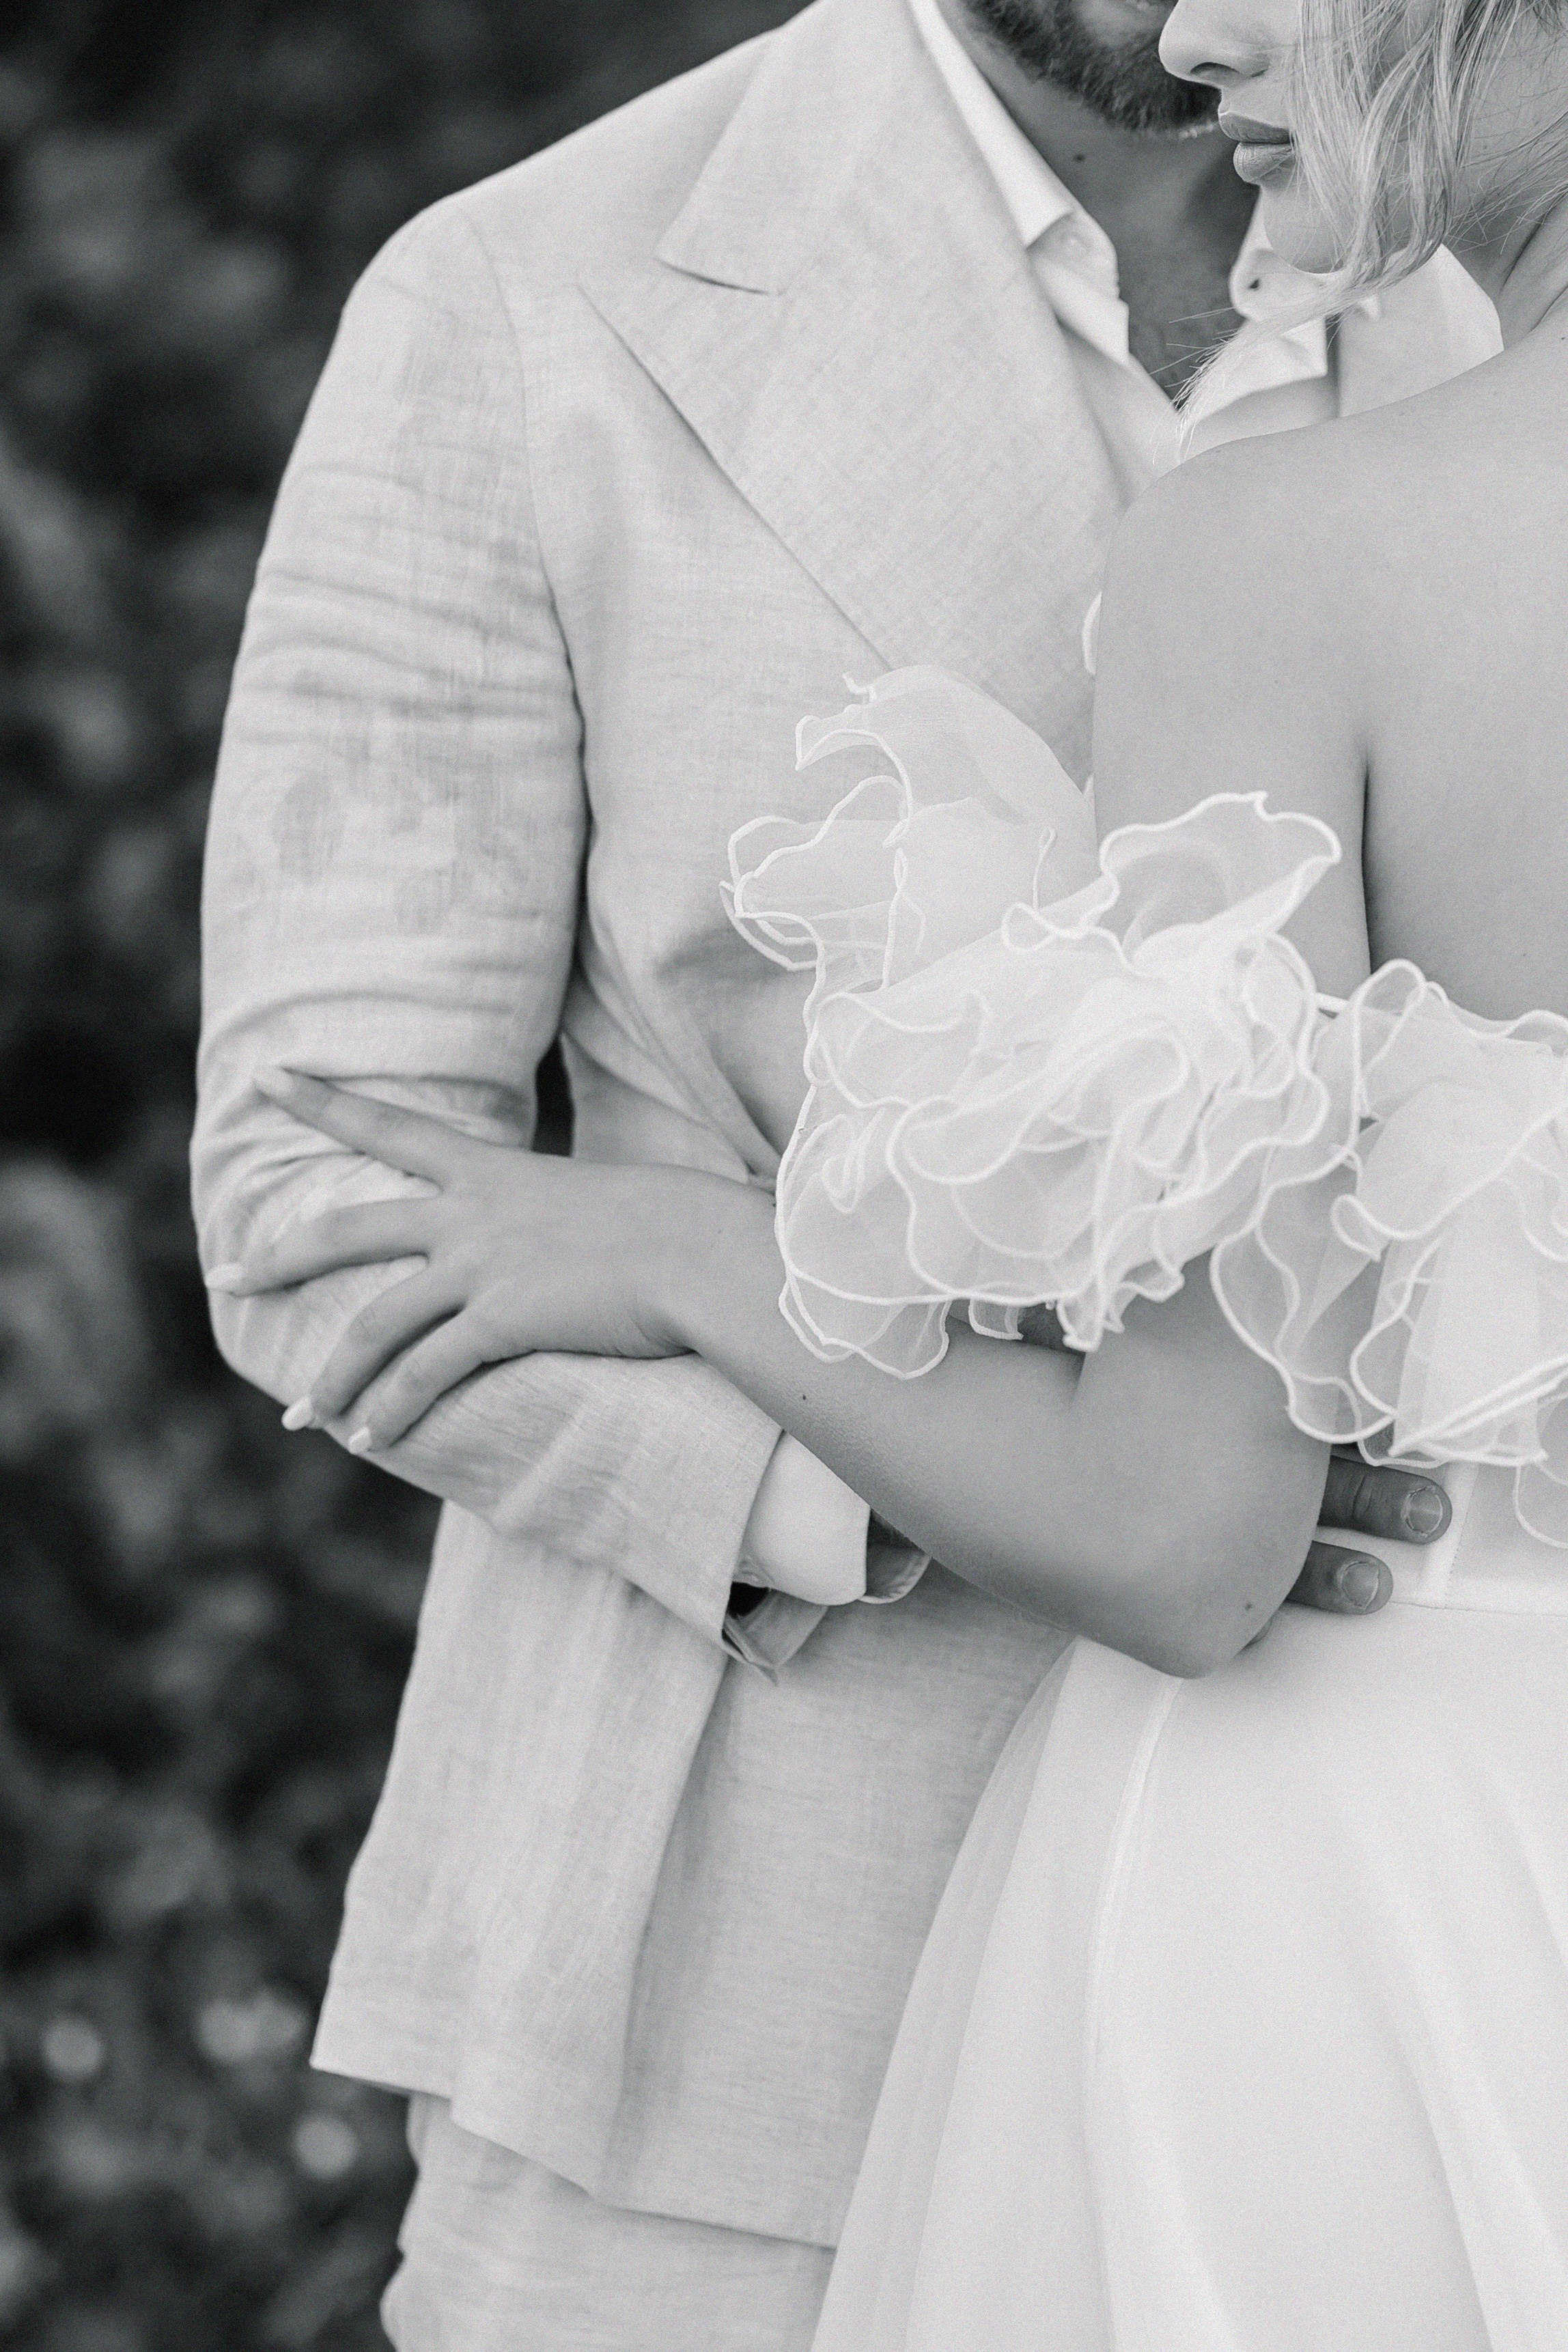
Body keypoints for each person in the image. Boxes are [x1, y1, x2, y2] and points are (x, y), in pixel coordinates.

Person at [191, 0, 1493, 2342]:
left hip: (1376, 1956)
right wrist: (973, 1477)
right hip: (737, 1969)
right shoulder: (529, 294)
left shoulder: (1483, 251)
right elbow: (322, 1201)